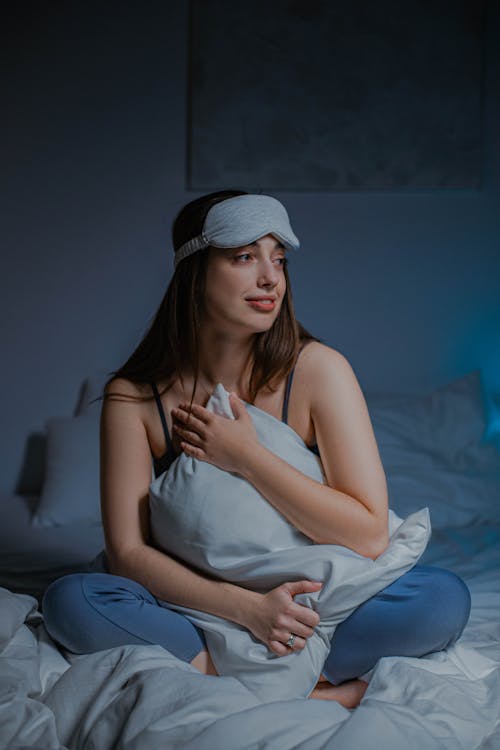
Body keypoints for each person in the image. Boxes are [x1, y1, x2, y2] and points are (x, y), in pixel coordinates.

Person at [42, 190, 471, 708]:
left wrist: (245, 455)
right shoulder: (134, 398)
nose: (270, 278)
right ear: (195, 271)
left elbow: (368, 533)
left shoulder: (318, 371)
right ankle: (315, 692)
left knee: (441, 600)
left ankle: (225, 680)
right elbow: (129, 555)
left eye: (278, 258)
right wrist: (247, 609)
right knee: (72, 601)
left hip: (315, 610)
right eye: (245, 257)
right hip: (195, 607)